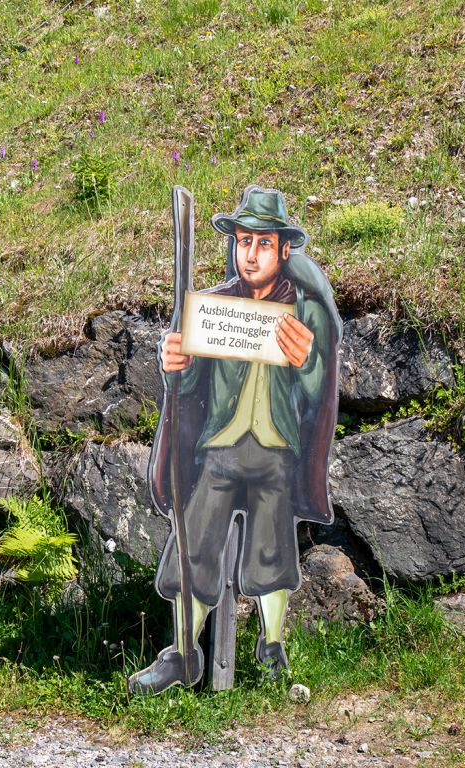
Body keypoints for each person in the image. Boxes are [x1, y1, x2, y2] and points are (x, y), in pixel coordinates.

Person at [128, 185, 341, 695]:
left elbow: (316, 392)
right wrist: (174, 366)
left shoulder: (304, 313)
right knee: (194, 542)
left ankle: (272, 647)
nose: (250, 254)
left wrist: (307, 359)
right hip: (221, 451)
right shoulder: (214, 308)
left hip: (276, 454)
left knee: (272, 549)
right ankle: (183, 652)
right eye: (244, 242)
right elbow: (189, 387)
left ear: (284, 250)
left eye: (263, 243)